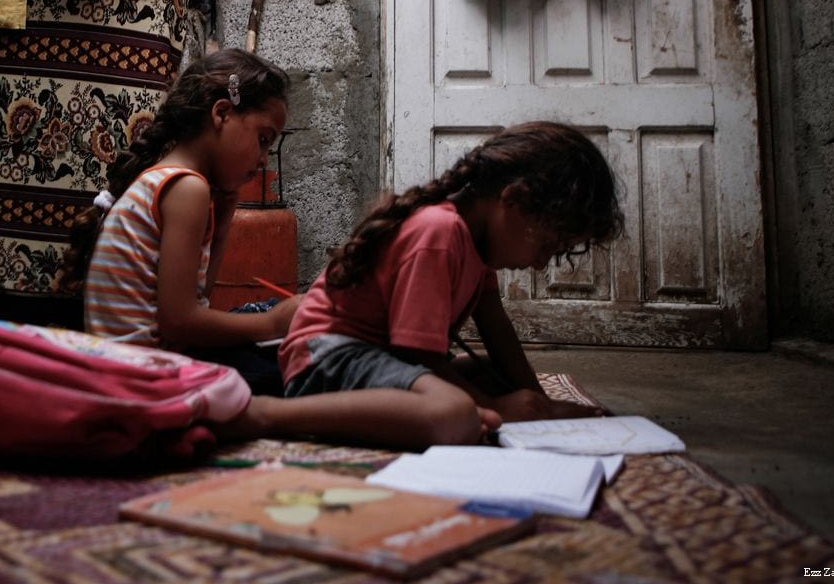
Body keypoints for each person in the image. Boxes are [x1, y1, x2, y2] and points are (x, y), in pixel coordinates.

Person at [263, 121, 623, 448]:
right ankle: (263, 414)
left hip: (382, 356)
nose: (541, 262)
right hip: (327, 362)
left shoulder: (477, 241)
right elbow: (417, 355)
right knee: (454, 414)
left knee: (497, 374)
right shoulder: (440, 232)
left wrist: (536, 401)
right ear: (512, 201)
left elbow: (496, 327)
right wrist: (496, 407)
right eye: (546, 244)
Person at [61, 48, 300, 395]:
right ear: (221, 114)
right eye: (263, 140)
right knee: (297, 363)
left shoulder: (170, 180)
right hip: (148, 378)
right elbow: (179, 323)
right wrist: (270, 324)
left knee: (276, 330)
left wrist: (226, 215)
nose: (263, 159)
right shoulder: (187, 187)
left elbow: (196, 297)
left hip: (140, 366)